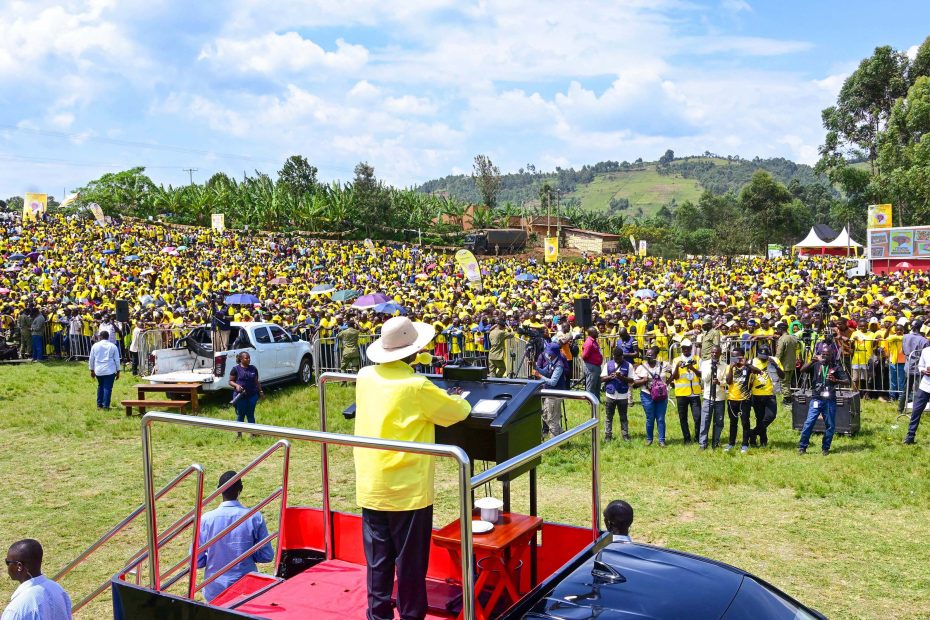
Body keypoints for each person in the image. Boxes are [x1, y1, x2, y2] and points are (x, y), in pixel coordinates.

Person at [353, 315, 470, 620]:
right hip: (408, 490)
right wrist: (459, 398)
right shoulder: (417, 385)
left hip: (372, 483)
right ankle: (410, 615)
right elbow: (457, 412)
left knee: (378, 561)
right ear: (414, 351)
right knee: (410, 564)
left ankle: (378, 614)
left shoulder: (365, 376)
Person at [195, 471, 275, 602]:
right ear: (241, 489)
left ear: (219, 490)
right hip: (245, 587)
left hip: (215, 589)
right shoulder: (254, 517)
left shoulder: (206, 520)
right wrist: (248, 553)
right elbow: (267, 556)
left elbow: (197, 561)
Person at [798, 344, 850, 455]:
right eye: (823, 354)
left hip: (829, 400)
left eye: (827, 354)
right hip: (816, 399)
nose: (825, 356)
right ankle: (802, 447)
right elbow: (802, 370)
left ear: (832, 355)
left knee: (830, 425)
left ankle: (825, 448)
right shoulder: (816, 364)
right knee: (809, 423)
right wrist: (811, 361)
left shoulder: (836, 367)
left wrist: (836, 380)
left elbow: (847, 381)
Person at [2, 538, 72, 619]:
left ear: (19, 566)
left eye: (8, 562)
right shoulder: (58, 590)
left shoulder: (16, 609)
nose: (7, 566)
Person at [725, 349, 761, 453]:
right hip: (732, 399)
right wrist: (731, 368)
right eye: (733, 356)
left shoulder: (747, 367)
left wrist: (747, 364)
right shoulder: (729, 367)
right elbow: (728, 381)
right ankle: (731, 443)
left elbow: (758, 371)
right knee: (733, 422)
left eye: (737, 356)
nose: (735, 359)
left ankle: (745, 444)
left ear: (742, 356)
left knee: (745, 422)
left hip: (745, 400)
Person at [749, 346, 784, 447]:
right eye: (761, 357)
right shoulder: (753, 361)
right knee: (760, 419)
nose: (763, 359)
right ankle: (762, 441)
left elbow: (782, 376)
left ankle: (752, 433)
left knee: (771, 416)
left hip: (770, 394)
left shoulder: (775, 360)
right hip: (756, 395)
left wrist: (776, 366)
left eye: (765, 357)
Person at [633, 346, 669, 446]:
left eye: (651, 355)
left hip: (661, 395)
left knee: (661, 418)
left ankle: (662, 440)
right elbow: (634, 382)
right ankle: (649, 439)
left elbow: (674, 372)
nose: (649, 357)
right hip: (647, 395)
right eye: (647, 355)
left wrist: (666, 383)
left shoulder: (663, 365)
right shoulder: (641, 367)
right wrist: (643, 380)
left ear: (656, 356)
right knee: (650, 418)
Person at [670, 339, 701, 444]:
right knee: (683, 418)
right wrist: (677, 366)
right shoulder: (676, 360)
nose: (686, 350)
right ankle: (687, 439)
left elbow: (701, 374)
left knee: (698, 417)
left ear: (691, 348)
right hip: (681, 393)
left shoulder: (697, 359)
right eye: (684, 348)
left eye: (688, 348)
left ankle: (697, 438)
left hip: (694, 393)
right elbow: (675, 377)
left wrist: (692, 368)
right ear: (681, 349)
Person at [535, 342, 570, 436]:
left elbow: (553, 382)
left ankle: (555, 440)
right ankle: (562, 435)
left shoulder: (559, 365)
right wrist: (535, 367)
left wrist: (540, 376)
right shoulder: (551, 362)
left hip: (555, 395)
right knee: (545, 415)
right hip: (549, 394)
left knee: (552, 419)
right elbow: (545, 372)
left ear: (553, 354)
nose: (547, 354)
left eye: (549, 352)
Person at [600, 346, 634, 441]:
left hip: (623, 395)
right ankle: (608, 435)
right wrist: (610, 377)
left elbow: (631, 380)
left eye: (619, 358)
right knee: (608, 417)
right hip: (610, 395)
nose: (617, 360)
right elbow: (601, 379)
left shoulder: (628, 365)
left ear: (622, 356)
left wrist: (621, 377)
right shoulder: (608, 364)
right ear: (613, 356)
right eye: (615, 358)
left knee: (623, 416)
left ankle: (625, 435)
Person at [698, 345, 728, 450]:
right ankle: (703, 444)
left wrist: (720, 382)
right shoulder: (705, 364)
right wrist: (712, 368)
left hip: (720, 397)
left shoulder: (724, 365)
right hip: (708, 397)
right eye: (713, 352)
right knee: (705, 421)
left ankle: (716, 441)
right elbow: (705, 379)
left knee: (719, 421)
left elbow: (727, 381)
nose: (714, 354)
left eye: (716, 352)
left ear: (720, 354)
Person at [229, 351, 263, 437]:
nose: (248, 359)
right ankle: (239, 435)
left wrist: (260, 391)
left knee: (250, 414)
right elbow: (230, 381)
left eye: (249, 358)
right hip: (240, 396)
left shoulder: (253, 368)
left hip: (252, 395)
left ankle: (253, 434)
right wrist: (236, 385)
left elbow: (256, 381)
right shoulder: (235, 369)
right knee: (241, 415)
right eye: (246, 358)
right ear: (241, 359)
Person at [899, 320, 928, 414]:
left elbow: (903, 351)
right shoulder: (924, 340)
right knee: (919, 390)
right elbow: (927, 355)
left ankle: (900, 408)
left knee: (906, 389)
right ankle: (917, 410)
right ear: (920, 327)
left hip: (908, 366)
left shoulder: (905, 337)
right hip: (919, 368)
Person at [903, 342, 930, 444]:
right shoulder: (926, 351)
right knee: (916, 411)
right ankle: (910, 436)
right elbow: (921, 365)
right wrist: (923, 371)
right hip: (924, 386)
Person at [88, 330, 121, 410]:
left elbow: (91, 359)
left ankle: (99, 405)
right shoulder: (113, 346)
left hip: (99, 370)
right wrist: (118, 371)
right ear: (108, 337)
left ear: (100, 337)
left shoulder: (95, 346)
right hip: (110, 370)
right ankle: (106, 405)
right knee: (107, 388)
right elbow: (117, 360)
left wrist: (91, 370)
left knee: (100, 386)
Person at [581, 327, 603, 397]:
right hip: (591, 366)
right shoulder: (589, 343)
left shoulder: (594, 341)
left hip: (596, 366)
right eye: (595, 332)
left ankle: (596, 400)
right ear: (591, 333)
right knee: (591, 385)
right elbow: (584, 356)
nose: (597, 333)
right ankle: (590, 400)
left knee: (597, 385)